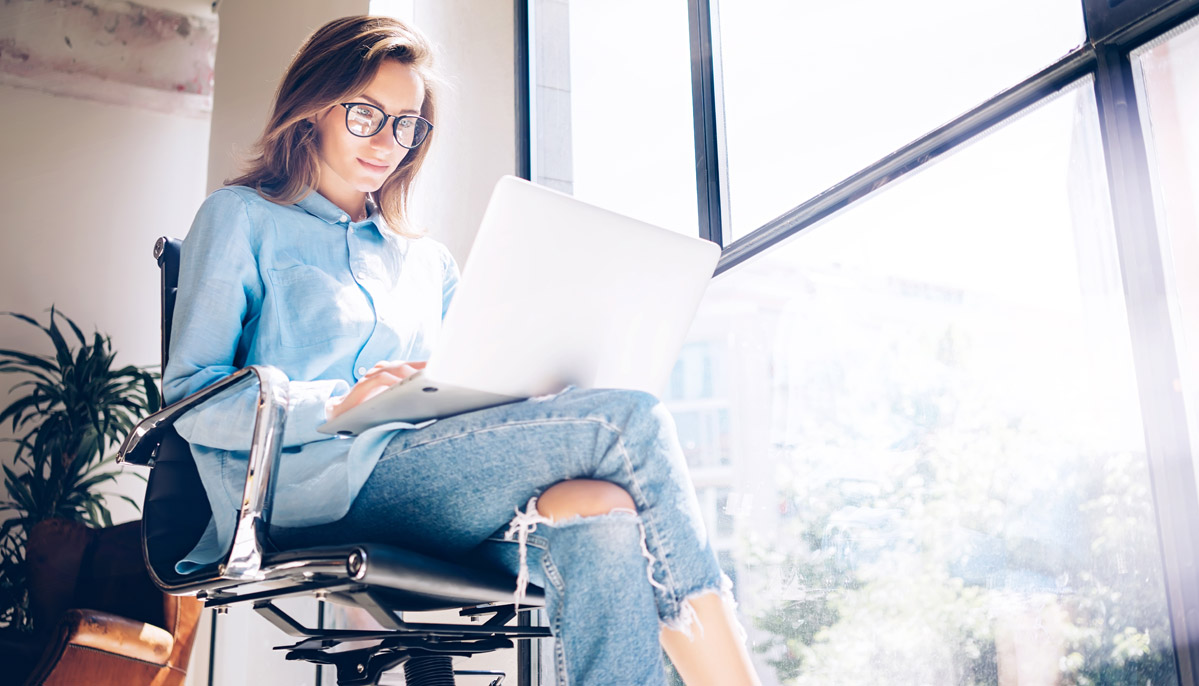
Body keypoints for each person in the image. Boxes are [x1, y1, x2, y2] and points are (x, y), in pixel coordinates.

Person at [164, 15, 760, 686]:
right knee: (628, 420)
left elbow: (457, 392)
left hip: (427, 485)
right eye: (365, 114)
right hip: (311, 492)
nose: (387, 141)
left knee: (604, 510)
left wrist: (513, 391)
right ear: (314, 108)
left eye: (406, 124)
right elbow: (192, 398)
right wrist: (334, 405)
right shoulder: (242, 217)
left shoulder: (427, 263)